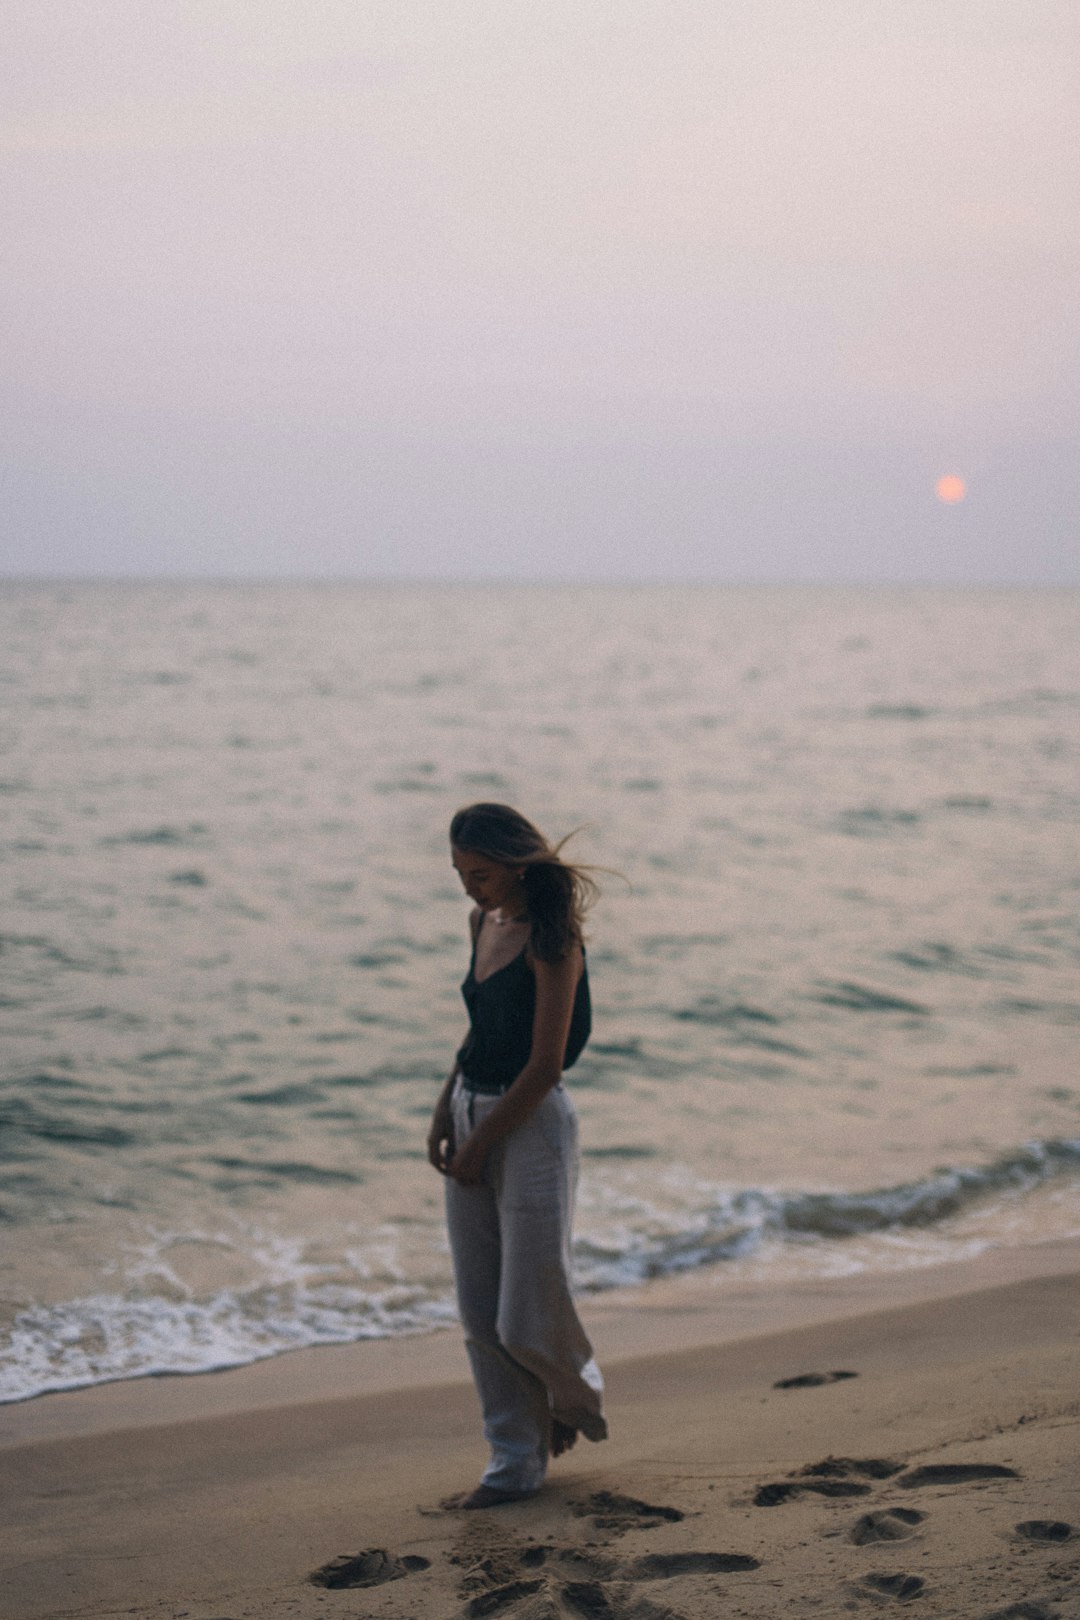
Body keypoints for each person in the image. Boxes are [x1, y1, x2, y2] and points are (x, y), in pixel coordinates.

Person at [428, 802, 607, 1508]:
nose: (471, 889)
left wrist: (480, 1143)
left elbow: (545, 1065)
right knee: (479, 1315)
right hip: (473, 1105)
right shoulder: (482, 923)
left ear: (515, 863)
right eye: (460, 876)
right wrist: (446, 1108)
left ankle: (573, 1402)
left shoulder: (553, 939)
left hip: (530, 1124)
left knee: (526, 1310)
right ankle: (513, 1466)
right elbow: (477, 1031)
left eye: (481, 875)